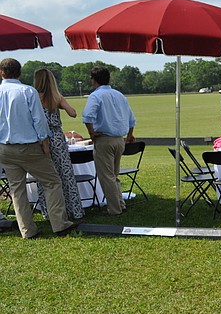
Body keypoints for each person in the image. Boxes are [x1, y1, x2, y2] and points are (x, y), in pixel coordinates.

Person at [0, 58, 76, 238]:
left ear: (1, 73)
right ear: (19, 72)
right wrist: (45, 143)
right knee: (52, 182)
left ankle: (27, 230)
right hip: (28, 147)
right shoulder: (27, 91)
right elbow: (39, 120)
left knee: (17, 190)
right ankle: (59, 223)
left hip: (4, 148)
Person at [81, 67, 136, 216]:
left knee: (107, 177)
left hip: (104, 139)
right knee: (114, 175)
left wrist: (91, 133)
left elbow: (87, 116)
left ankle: (114, 209)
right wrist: (129, 135)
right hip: (119, 140)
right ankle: (120, 204)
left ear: (94, 80)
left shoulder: (96, 96)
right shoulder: (119, 95)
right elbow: (131, 119)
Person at [33, 68, 85, 220]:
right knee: (65, 174)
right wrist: (61, 104)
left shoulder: (33, 98)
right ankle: (73, 209)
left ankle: (49, 211)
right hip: (57, 138)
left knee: (45, 176)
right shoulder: (56, 97)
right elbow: (73, 113)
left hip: (40, 138)